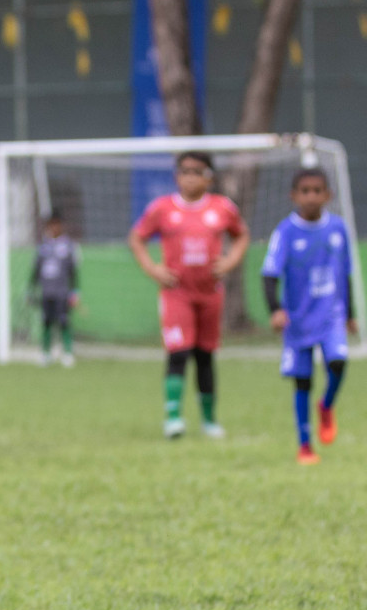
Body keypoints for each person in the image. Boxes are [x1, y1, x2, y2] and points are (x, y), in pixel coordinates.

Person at [128, 151, 250, 439]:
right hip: (176, 293)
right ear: (176, 176)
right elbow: (137, 237)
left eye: (196, 171)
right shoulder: (162, 208)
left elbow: (242, 235)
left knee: (205, 355)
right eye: (184, 171)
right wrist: (152, 268)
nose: (189, 177)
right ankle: (173, 418)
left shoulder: (222, 208)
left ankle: (209, 420)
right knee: (179, 352)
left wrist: (230, 261)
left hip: (210, 293)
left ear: (209, 177)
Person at [262, 168, 358, 465]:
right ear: (294, 196)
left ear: (328, 195)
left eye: (318, 190)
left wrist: (350, 314)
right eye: (305, 191)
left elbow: (346, 273)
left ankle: (326, 405)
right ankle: (305, 445)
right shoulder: (286, 232)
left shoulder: (339, 228)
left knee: (339, 362)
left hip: (331, 315)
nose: (312, 196)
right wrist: (275, 310)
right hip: (298, 319)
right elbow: (269, 274)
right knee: (302, 381)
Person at [29, 211, 79, 367]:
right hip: (46, 291)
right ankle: (46, 354)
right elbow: (35, 270)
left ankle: (67, 353)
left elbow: (73, 271)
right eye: (51, 224)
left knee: (64, 321)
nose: (54, 228)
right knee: (46, 322)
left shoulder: (69, 246)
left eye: (57, 224)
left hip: (62, 291)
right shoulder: (43, 246)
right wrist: (31, 289)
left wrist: (75, 291)